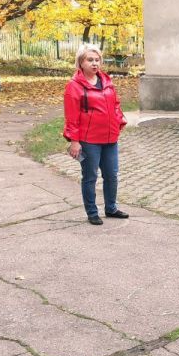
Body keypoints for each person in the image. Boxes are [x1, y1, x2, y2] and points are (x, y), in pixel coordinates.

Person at [63, 43, 129, 225]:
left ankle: (111, 208)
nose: (94, 63)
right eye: (90, 60)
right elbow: (71, 117)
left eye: (97, 59)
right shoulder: (74, 87)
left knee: (111, 175)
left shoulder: (107, 81)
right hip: (89, 140)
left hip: (110, 139)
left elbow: (116, 105)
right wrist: (74, 141)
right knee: (90, 176)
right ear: (81, 63)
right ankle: (92, 212)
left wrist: (118, 122)